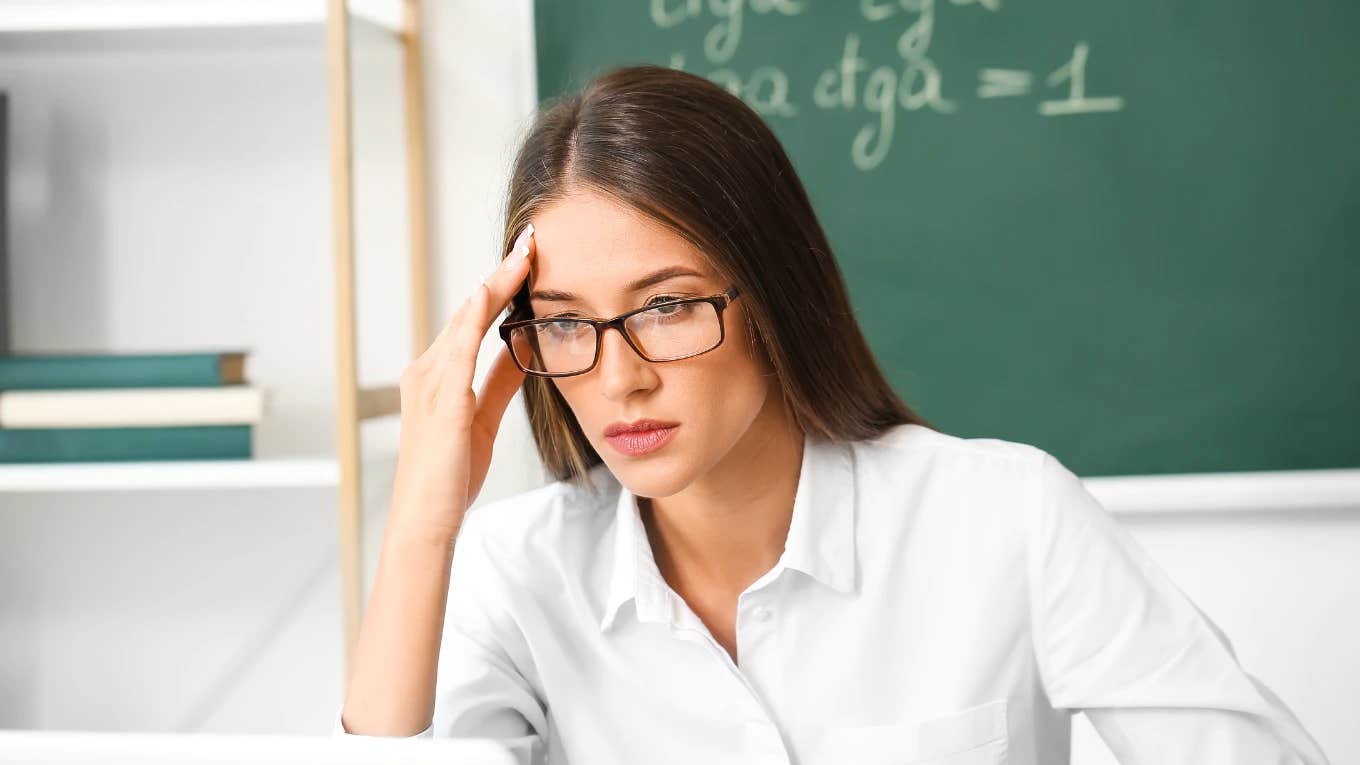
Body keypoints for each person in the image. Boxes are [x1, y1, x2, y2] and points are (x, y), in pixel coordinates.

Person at [333, 65, 1329, 764]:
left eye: (668, 307)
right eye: (563, 325)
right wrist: (424, 524)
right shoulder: (518, 569)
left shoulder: (1005, 517)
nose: (618, 377)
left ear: (771, 293)